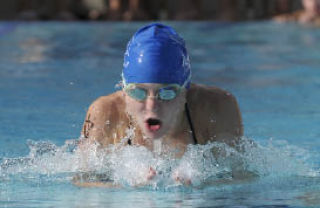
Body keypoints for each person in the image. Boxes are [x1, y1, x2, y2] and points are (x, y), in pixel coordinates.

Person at [76, 23, 244, 187]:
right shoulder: (105, 112)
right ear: (124, 89)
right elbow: (82, 181)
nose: (152, 106)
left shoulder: (218, 107)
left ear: (185, 92)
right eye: (138, 92)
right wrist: (128, 187)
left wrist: (201, 184)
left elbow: (242, 178)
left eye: (167, 93)